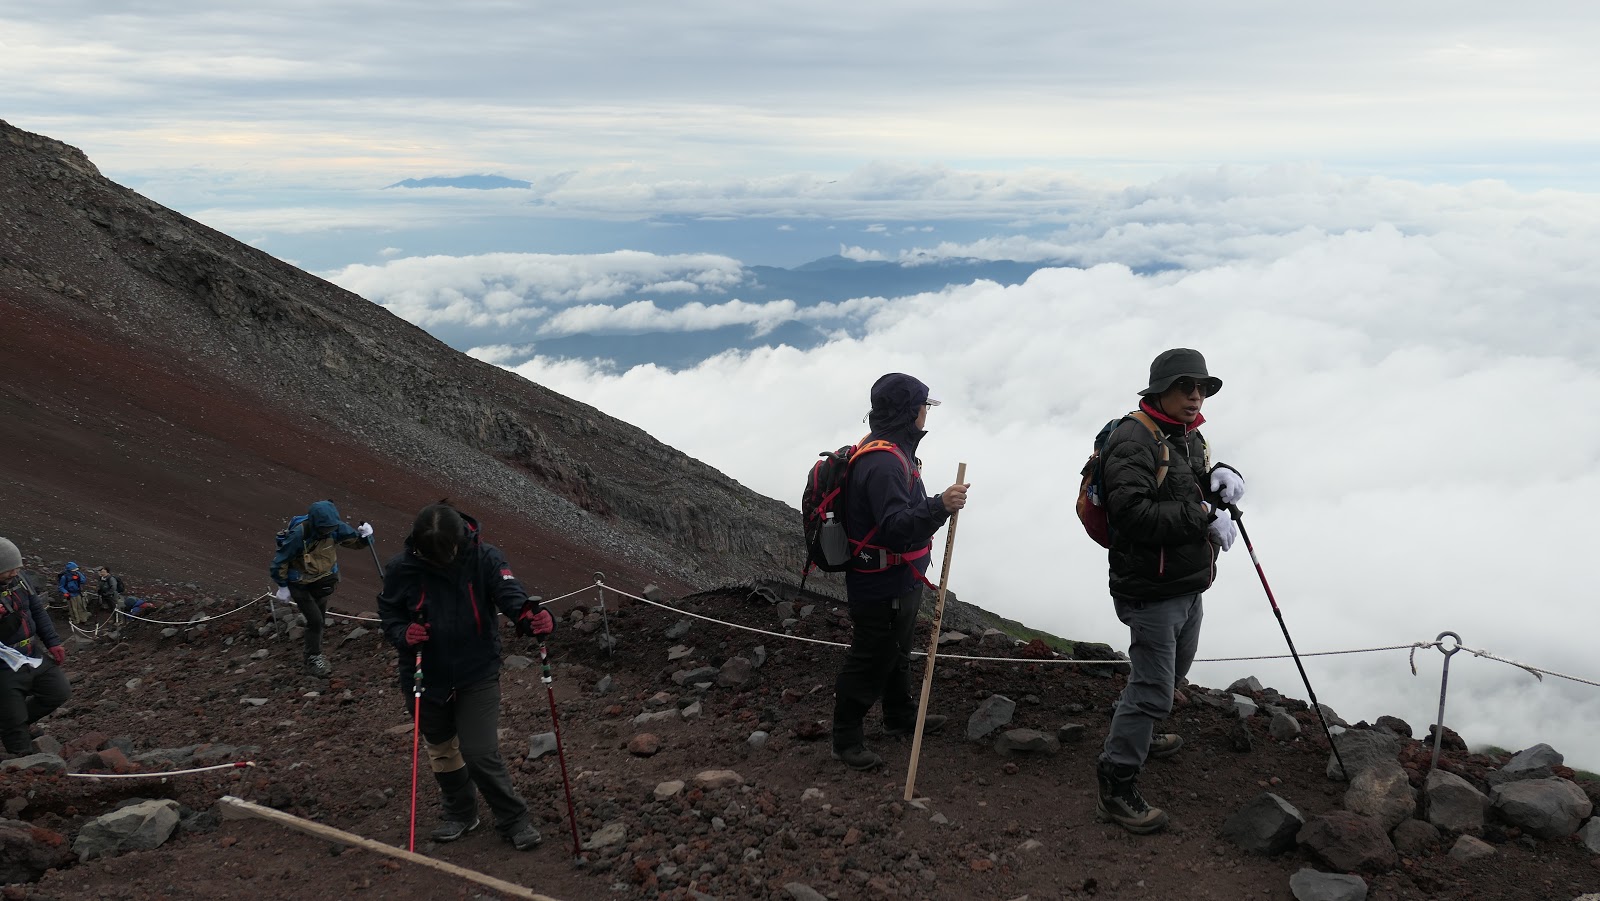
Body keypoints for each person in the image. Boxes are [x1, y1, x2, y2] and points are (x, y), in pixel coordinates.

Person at [1094, 348, 1245, 834]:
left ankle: (1137, 726)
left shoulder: (1186, 436)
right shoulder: (1134, 439)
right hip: (1151, 587)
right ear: (1160, 389)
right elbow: (1131, 515)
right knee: (1154, 688)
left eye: (1202, 387)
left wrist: (1219, 476)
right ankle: (1116, 785)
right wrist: (1203, 517)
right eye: (1186, 386)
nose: (1196, 396)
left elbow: (1186, 485)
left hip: (1186, 581)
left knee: (1173, 671)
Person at [377, 501, 553, 851]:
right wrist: (403, 633)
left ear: (458, 542)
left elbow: (509, 594)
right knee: (442, 750)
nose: (436, 561)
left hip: (477, 671)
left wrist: (529, 617)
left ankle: (514, 819)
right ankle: (460, 813)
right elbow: (390, 612)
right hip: (424, 672)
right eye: (428, 556)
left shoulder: (485, 558)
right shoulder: (402, 568)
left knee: (479, 752)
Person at [831, 373, 969, 771]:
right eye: (924, 406)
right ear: (910, 411)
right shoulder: (884, 462)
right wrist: (940, 506)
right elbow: (894, 528)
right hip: (880, 582)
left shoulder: (892, 450)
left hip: (900, 577)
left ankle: (899, 716)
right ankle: (846, 739)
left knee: (897, 651)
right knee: (870, 656)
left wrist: (934, 506)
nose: (926, 412)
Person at [268, 500, 374, 677]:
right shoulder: (299, 535)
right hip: (300, 584)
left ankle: (313, 652)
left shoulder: (335, 527)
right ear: (316, 523)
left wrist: (366, 537)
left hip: (323, 581)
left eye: (331, 528)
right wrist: (283, 586)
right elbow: (281, 560)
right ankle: (313, 658)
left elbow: (354, 541)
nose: (329, 532)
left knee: (319, 619)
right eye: (325, 529)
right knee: (316, 620)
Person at [0, 537, 70, 755]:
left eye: (17, 567)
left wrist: (53, 642)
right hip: (4, 665)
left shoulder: (20, 580)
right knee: (14, 722)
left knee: (58, 691)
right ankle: (21, 758)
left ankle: (12, 725)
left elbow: (37, 610)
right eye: (9, 570)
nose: (15, 572)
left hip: (32, 654)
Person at [57, 562, 88, 627]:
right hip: (70, 595)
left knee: (81, 606)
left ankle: (83, 619)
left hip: (78, 593)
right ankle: (76, 621)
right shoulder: (64, 577)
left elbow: (83, 580)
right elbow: (61, 587)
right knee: (73, 608)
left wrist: (78, 578)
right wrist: (65, 592)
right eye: (73, 570)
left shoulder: (78, 574)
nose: (75, 571)